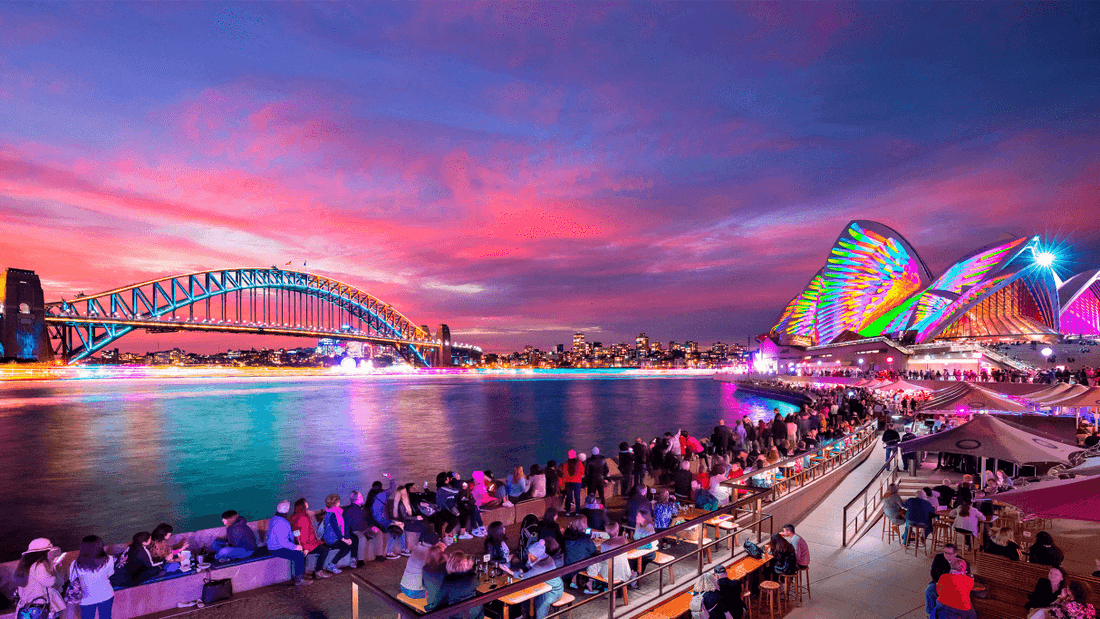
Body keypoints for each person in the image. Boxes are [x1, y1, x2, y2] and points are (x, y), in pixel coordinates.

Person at [15, 538, 66, 619]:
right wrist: (53, 568)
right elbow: (50, 582)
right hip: (39, 606)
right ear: (42, 553)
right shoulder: (38, 566)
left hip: (27, 606)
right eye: (48, 551)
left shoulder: (23, 566)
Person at [265, 500, 311, 586]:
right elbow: (283, 542)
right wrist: (295, 547)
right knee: (299, 555)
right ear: (287, 509)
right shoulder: (282, 522)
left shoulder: (274, 518)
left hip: (272, 546)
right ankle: (299, 579)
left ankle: (300, 574)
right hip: (276, 549)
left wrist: (294, 533)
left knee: (299, 553)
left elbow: (282, 534)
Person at [70, 535, 116, 619]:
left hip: (85, 599)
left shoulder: (75, 564)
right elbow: (110, 573)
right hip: (106, 594)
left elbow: (72, 579)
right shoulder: (109, 559)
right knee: (106, 617)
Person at [429, 551, 482, 619]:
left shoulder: (448, 580)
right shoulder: (473, 577)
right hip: (475, 613)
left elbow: (439, 601)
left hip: (456, 615)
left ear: (450, 564)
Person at [290, 498, 334, 578]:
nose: (307, 503)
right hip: (306, 544)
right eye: (305, 502)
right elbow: (303, 534)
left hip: (305, 543)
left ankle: (304, 573)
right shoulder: (303, 518)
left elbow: (297, 533)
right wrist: (306, 547)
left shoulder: (298, 516)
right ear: (302, 505)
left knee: (323, 547)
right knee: (324, 549)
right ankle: (318, 571)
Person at [584, 522, 630, 594]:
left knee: (594, 564)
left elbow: (603, 559)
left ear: (607, 533)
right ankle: (602, 586)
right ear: (618, 531)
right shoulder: (624, 540)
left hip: (608, 575)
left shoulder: (604, 544)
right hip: (624, 572)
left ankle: (591, 583)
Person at [524, 540, 564, 619]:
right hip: (554, 586)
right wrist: (529, 560)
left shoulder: (542, 564)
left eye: (531, 555)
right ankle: (530, 615)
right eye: (528, 554)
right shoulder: (545, 557)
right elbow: (529, 567)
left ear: (536, 556)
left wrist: (511, 572)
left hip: (554, 591)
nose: (529, 556)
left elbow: (525, 576)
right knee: (529, 597)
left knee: (541, 601)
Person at [400, 526, 442, 599]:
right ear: (436, 543)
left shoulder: (416, 548)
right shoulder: (431, 554)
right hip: (415, 592)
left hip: (403, 587)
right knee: (444, 591)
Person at [562, 518, 599, 590]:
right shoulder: (585, 537)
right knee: (596, 556)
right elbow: (593, 550)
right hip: (581, 564)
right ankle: (591, 582)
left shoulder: (566, 535)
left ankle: (574, 578)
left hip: (568, 562)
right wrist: (590, 538)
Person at [421, 544, 448, 611]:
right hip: (443, 604)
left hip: (430, 602)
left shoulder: (425, 569)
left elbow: (424, 585)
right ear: (442, 556)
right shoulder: (445, 569)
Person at [632, 510, 657, 579]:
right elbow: (636, 538)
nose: (636, 517)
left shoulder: (649, 527)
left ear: (643, 518)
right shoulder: (638, 525)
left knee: (633, 560)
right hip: (640, 550)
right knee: (631, 559)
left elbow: (648, 544)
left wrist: (635, 547)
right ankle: (633, 577)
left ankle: (635, 578)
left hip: (649, 552)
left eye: (638, 516)